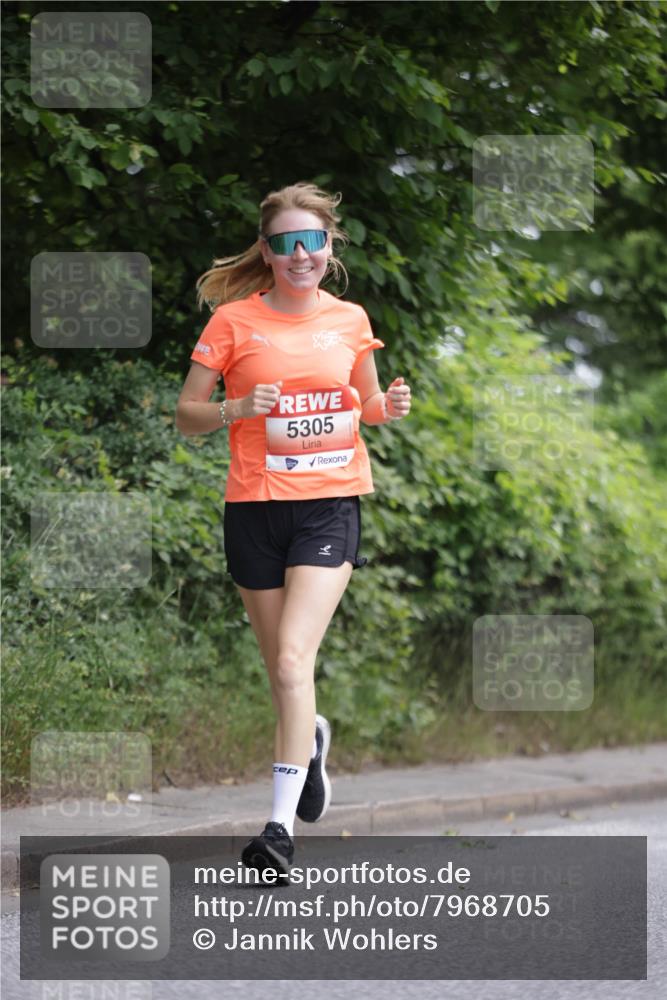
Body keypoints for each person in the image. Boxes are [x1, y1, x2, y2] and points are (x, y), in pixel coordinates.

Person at [175, 181, 411, 880]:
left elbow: (364, 405)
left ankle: (277, 830)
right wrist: (238, 406)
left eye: (313, 239)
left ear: (330, 247)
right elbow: (187, 414)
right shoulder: (232, 322)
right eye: (285, 242)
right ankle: (308, 737)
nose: (300, 252)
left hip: (327, 507)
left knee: (289, 661)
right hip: (252, 508)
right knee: (282, 669)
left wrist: (386, 407)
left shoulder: (349, 319)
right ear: (268, 251)